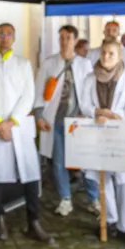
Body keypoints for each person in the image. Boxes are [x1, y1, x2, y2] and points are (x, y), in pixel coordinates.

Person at [0, 23, 51, 243]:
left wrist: (11, 122)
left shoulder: (22, 64)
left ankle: (33, 221)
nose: (5, 37)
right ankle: (0, 220)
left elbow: (28, 96)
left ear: (13, 39)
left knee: (30, 174)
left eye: (9, 34)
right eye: (1, 34)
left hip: (18, 126)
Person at [80, 39, 125, 247]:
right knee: (102, 177)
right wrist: (96, 113)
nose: (106, 57)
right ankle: (109, 219)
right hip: (98, 132)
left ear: (119, 57)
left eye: (111, 54)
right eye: (104, 53)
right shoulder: (90, 77)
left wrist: (116, 116)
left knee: (124, 179)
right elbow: (84, 104)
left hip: (120, 132)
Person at [35, 25, 96, 216]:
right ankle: (65, 198)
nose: (64, 41)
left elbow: (90, 91)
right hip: (57, 119)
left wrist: (88, 114)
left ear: (75, 40)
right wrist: (39, 115)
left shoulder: (84, 64)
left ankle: (94, 198)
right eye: (61, 37)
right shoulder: (49, 63)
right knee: (59, 162)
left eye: (68, 37)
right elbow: (38, 89)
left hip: (80, 120)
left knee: (87, 161)